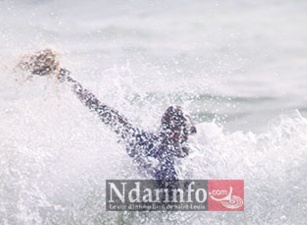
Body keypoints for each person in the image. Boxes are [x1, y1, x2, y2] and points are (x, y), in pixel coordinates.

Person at [21, 49, 197, 181]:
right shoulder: (146, 141)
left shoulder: (197, 160)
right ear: (163, 129)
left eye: (182, 131)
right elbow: (101, 109)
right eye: (172, 129)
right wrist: (69, 80)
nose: (176, 135)